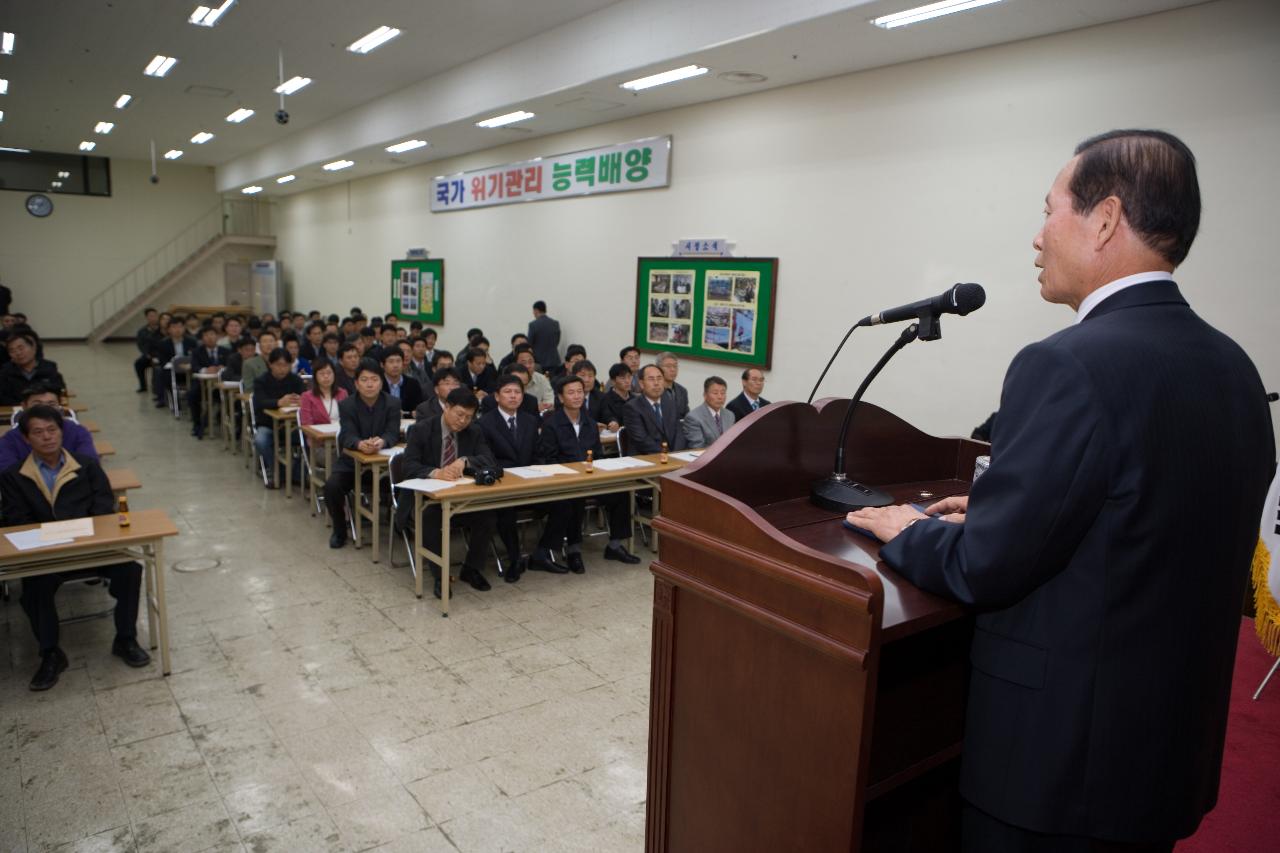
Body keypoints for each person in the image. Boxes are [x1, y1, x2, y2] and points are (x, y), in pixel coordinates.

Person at [847, 130, 1275, 852]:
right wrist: (1012, 504)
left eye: (1049, 210)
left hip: (1058, 776)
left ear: (1104, 219)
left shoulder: (1066, 364)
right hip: (1165, 758)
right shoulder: (1234, 368)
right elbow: (1149, 513)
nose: (1037, 235)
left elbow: (984, 565)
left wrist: (908, 528)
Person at [0, 406, 150, 690]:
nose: (47, 437)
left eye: (52, 430)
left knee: (130, 570)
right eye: (38, 432)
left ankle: (125, 639)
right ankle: (50, 653)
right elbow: (17, 519)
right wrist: (55, 536)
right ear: (26, 439)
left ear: (62, 432)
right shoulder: (14, 476)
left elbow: (103, 506)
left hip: (90, 548)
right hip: (45, 554)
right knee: (34, 588)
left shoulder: (85, 465)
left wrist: (80, 534)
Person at [531, 375, 642, 574]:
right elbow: (546, 459)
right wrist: (573, 472)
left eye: (580, 392)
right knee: (573, 500)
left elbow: (597, 455)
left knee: (621, 493)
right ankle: (573, 550)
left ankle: (615, 545)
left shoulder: (590, 423)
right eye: (571, 392)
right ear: (561, 397)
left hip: (590, 479)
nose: (576, 396)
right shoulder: (552, 424)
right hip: (563, 482)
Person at [399, 388, 499, 596]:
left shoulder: (474, 431)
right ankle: (440, 574)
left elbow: (489, 460)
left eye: (469, 417)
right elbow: (408, 467)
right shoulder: (422, 430)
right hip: (426, 499)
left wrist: (465, 461)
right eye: (459, 414)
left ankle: (471, 569)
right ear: (447, 407)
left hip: (460, 498)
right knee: (430, 518)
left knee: (488, 515)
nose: (463, 421)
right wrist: (436, 473)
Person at [325, 359, 400, 548]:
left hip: (383, 462)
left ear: (381, 382)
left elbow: (393, 431)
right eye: (364, 380)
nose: (369, 384)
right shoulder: (347, 405)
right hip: (352, 462)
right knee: (332, 486)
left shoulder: (392, 403)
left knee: (406, 480)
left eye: (374, 379)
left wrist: (381, 441)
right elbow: (347, 433)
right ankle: (340, 530)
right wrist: (359, 444)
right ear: (356, 383)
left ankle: (401, 525)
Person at [478, 375, 540, 580]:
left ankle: (543, 552)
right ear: (496, 396)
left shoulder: (530, 421)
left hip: (530, 481)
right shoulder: (485, 423)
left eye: (517, 392)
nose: (513, 396)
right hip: (502, 483)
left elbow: (537, 453)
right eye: (507, 392)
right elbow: (487, 458)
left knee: (565, 501)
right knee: (506, 510)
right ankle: (515, 559)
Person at [0, 384, 97, 471]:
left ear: (60, 407)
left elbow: (90, 465)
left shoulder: (77, 432)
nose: (45, 409)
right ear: (24, 407)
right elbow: (7, 473)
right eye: (37, 404)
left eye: (52, 404)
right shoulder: (11, 439)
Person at [252, 348, 304, 487]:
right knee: (260, 440)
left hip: (293, 425)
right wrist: (278, 402)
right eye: (278, 365)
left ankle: (297, 472)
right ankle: (278, 471)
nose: (282, 369)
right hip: (268, 424)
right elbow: (260, 402)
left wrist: (301, 400)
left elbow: (305, 398)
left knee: (310, 439)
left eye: (286, 365)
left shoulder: (296, 380)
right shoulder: (261, 381)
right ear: (270, 364)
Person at [623, 365, 688, 454]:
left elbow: (679, 433)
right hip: (645, 459)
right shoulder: (632, 407)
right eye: (651, 379)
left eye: (659, 378)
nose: (656, 383)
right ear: (641, 384)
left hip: (672, 456)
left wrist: (676, 453)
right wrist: (666, 454)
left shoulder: (671, 403)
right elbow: (642, 441)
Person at [0, 331, 66, 406]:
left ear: (33, 348)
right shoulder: (5, 372)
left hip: (47, 410)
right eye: (12, 351)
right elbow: (2, 398)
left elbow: (59, 392)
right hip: (15, 411)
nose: (18, 353)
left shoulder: (49, 369)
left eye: (21, 348)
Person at [188, 325, 229, 439]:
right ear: (202, 338)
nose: (210, 337)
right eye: (206, 335)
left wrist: (223, 368)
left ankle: (221, 422)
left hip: (220, 383)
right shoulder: (197, 352)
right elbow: (194, 367)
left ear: (218, 336)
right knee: (192, 394)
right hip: (202, 384)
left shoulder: (225, 351)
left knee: (224, 396)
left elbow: (231, 367)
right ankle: (197, 424)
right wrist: (206, 370)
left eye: (212, 334)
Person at [151, 317, 196, 410]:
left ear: (184, 328)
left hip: (189, 370)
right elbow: (163, 361)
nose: (177, 329)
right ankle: (173, 401)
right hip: (172, 371)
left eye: (180, 327)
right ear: (169, 330)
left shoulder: (192, 341)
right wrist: (176, 365)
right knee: (163, 373)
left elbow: (196, 358)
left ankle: (193, 399)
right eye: (174, 327)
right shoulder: (163, 343)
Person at [683, 376, 736, 449]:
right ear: (705, 395)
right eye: (715, 393)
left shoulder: (730, 415)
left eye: (723, 393)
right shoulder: (693, 417)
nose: (720, 397)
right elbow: (697, 447)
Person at [300, 358, 347, 426]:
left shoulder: (342, 393)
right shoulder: (307, 397)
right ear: (315, 377)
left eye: (329, 373)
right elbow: (306, 424)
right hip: (318, 435)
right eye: (321, 373)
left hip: (341, 434)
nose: (326, 376)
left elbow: (349, 420)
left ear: (334, 374)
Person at [380, 348, 424, 413]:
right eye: (391, 361)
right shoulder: (378, 384)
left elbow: (419, 408)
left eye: (398, 361)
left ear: (403, 363)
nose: (395, 365)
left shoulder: (413, 384)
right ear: (382, 365)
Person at [513, 345, 553, 410]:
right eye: (523, 363)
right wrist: (535, 408)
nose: (528, 366)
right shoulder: (510, 380)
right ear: (516, 364)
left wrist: (545, 406)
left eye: (530, 362)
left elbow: (550, 402)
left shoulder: (542, 379)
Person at [528, 300, 562, 372]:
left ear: (536, 310)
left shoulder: (533, 325)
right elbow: (557, 341)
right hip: (554, 360)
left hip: (539, 362)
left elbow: (529, 344)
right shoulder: (555, 323)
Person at [133, 307, 162, 393]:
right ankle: (143, 386)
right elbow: (140, 345)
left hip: (160, 355)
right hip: (148, 355)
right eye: (151, 316)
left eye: (155, 315)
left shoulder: (162, 330)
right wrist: (146, 354)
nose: (153, 318)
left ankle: (156, 385)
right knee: (138, 363)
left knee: (157, 365)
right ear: (147, 318)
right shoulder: (142, 331)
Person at [598, 363, 633, 431]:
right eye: (623, 378)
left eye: (629, 377)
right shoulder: (604, 399)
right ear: (613, 381)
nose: (627, 381)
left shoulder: (636, 399)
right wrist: (612, 422)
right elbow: (607, 416)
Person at [654, 352, 689, 420]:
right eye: (668, 366)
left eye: (675, 366)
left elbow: (686, 416)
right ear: (658, 368)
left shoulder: (682, 391)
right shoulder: (654, 390)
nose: (673, 370)